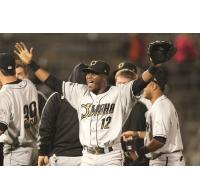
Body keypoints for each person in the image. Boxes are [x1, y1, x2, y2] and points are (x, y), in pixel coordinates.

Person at [14, 42, 165, 166]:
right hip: (86, 157)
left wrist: (154, 66)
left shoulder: (119, 93)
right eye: (88, 73)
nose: (89, 76)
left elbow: (140, 83)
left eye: (94, 73)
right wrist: (32, 64)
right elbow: (52, 82)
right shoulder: (80, 92)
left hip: (110, 156)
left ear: (104, 76)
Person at [123, 67, 185, 166]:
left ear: (153, 86)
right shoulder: (158, 104)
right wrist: (135, 133)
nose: (143, 89)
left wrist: (138, 153)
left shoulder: (161, 106)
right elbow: (155, 135)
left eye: (145, 85)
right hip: (163, 159)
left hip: (166, 161)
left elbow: (159, 140)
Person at [38, 63, 87, 166]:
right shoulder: (93, 98)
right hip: (86, 157)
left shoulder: (56, 98)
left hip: (60, 157)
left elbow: (45, 128)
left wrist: (43, 151)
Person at [0, 53, 39, 166]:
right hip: (34, 151)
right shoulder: (29, 84)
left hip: (16, 154)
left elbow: (1, 127)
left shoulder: (4, 94)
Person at [115, 63, 150, 166]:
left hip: (138, 159)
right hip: (119, 157)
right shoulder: (114, 102)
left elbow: (157, 135)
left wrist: (134, 154)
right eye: (118, 83)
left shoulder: (144, 103)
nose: (121, 87)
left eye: (124, 83)